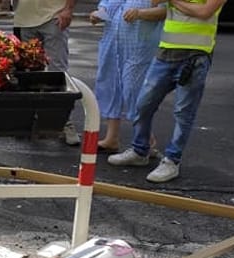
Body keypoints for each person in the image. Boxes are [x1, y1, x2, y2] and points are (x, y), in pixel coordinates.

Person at [107, 0, 227, 182]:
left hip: (196, 56)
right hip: (166, 52)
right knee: (143, 105)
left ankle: (172, 161)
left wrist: (174, 2)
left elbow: (204, 12)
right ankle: (140, 150)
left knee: (183, 112)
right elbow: (154, 2)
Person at [91, 0, 165, 152]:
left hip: (140, 44)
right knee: (110, 85)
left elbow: (166, 11)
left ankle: (147, 140)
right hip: (112, 41)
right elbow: (106, 4)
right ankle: (112, 138)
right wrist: (98, 14)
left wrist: (140, 13)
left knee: (133, 90)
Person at [14, 0, 81, 146]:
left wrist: (68, 9)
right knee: (29, 75)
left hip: (54, 16)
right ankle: (30, 121)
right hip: (25, 19)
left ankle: (64, 122)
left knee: (57, 73)